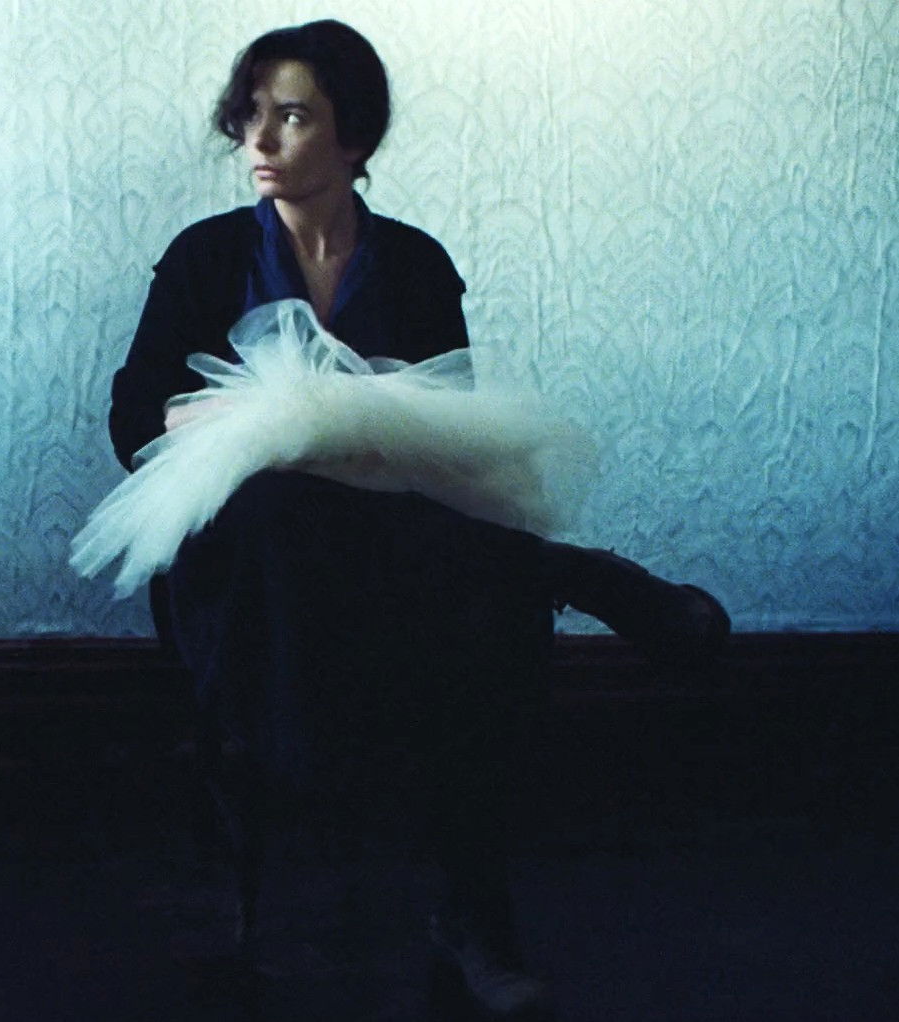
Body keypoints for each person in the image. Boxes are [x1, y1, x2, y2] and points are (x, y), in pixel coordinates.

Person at [105, 20, 727, 1017]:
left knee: (477, 597)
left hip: (391, 550)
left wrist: (357, 434)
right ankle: (577, 574)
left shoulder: (413, 264)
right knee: (278, 501)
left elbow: (449, 432)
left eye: (291, 115)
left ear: (352, 135)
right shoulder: (205, 257)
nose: (259, 138)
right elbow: (134, 417)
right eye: (251, 114)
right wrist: (274, 417)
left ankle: (471, 914)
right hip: (249, 556)